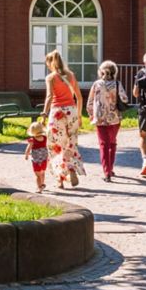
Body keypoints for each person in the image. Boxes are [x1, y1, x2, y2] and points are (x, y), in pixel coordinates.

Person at [41, 49, 85, 190]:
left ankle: (60, 179)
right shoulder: (71, 75)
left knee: (55, 146)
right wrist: (79, 116)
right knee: (70, 144)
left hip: (57, 113)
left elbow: (49, 97)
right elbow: (79, 97)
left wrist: (44, 114)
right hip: (71, 112)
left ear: (50, 63)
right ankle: (71, 168)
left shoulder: (51, 78)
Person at [87, 60, 129, 182]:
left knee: (103, 144)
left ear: (100, 72)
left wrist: (91, 114)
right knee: (112, 143)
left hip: (100, 118)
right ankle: (110, 168)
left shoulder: (96, 84)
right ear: (114, 72)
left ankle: (106, 172)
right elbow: (125, 99)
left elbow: (90, 102)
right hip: (114, 118)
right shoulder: (117, 84)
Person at [24, 120, 48, 192]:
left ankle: (39, 187)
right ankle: (42, 184)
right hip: (44, 159)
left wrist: (26, 155)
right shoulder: (44, 138)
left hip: (36, 161)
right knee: (42, 172)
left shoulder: (32, 140)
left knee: (38, 175)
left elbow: (28, 148)